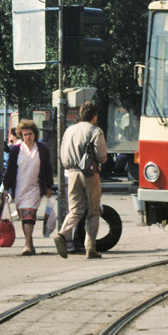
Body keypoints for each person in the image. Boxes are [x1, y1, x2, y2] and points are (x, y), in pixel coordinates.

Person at [53, 101, 108, 259]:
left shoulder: (69, 130)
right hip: (89, 173)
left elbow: (62, 154)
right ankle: (90, 248)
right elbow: (102, 156)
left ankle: (62, 234)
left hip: (71, 173)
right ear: (94, 116)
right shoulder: (95, 131)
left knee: (75, 210)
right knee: (93, 210)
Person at [0, 119, 53, 255]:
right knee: (24, 216)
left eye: (30, 134)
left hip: (35, 188)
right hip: (20, 188)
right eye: (25, 134)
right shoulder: (16, 150)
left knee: (29, 214)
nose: (28, 137)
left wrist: (49, 186)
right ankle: (30, 243)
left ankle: (26, 245)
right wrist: (6, 187)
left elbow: (47, 169)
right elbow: (10, 169)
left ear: (35, 134)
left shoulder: (42, 149)